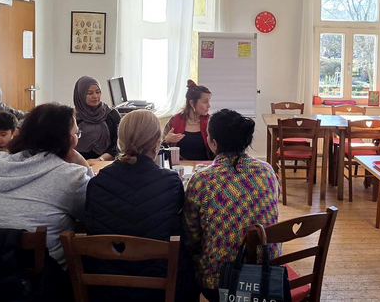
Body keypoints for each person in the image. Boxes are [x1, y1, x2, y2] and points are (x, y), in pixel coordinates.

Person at [85, 109, 196, 302]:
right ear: (156, 143)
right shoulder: (170, 182)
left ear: (120, 142)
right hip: (159, 288)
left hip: (107, 288)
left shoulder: (97, 182)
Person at [0, 102, 92, 270]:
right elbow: (91, 211)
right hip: (37, 283)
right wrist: (82, 164)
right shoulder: (70, 176)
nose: (76, 138)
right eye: (76, 133)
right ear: (66, 138)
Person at [183, 109, 280, 301]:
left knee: (186, 258)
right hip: (266, 273)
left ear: (214, 143)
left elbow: (191, 237)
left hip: (219, 282)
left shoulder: (202, 180)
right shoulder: (267, 172)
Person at [73, 76, 121, 160]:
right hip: (77, 163)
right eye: (90, 93)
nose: (95, 96)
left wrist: (100, 159)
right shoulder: (72, 117)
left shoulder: (111, 114)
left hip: (106, 162)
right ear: (80, 94)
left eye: (98, 92)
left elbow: (119, 143)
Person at [164, 80, 212, 161]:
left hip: (206, 168)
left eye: (209, 101)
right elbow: (159, 149)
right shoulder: (174, 120)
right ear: (192, 103)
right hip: (180, 167)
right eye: (205, 102)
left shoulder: (211, 121)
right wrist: (166, 140)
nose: (209, 106)